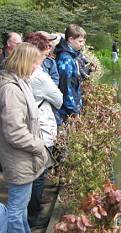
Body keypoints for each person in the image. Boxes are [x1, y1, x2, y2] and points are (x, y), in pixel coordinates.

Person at [0, 42, 49, 233]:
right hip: (19, 158)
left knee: (20, 208)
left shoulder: (21, 82)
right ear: (24, 62)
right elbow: (14, 131)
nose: (37, 66)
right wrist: (38, 145)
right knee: (16, 210)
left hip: (24, 157)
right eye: (35, 63)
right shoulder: (11, 89)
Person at [24, 32, 63, 230]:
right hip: (40, 131)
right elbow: (59, 99)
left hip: (25, 131)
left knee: (29, 172)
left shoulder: (13, 70)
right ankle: (34, 217)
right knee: (40, 173)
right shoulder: (38, 75)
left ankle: (27, 215)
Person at [55, 24, 86, 124]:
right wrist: (73, 110)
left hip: (72, 107)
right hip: (66, 111)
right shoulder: (65, 59)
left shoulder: (72, 56)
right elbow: (65, 87)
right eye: (80, 41)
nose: (82, 44)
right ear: (71, 39)